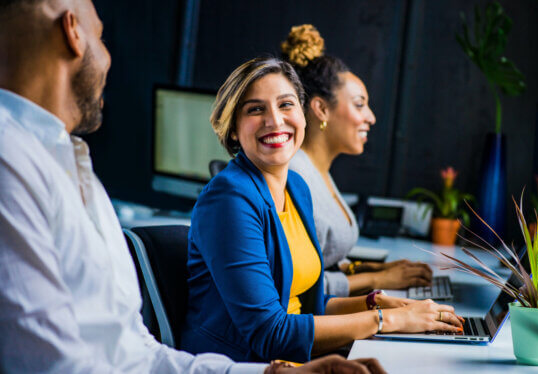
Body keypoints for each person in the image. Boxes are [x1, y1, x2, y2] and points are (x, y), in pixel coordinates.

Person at [0, 1, 385, 373]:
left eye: (286, 105)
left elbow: (138, 351)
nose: (109, 57)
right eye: (102, 38)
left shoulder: (72, 164)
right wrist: (380, 320)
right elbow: (51, 364)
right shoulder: (12, 162)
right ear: (72, 32)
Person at [181, 56, 464, 364]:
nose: (275, 120)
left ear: (303, 115)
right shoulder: (229, 199)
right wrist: (387, 320)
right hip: (244, 365)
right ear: (233, 129)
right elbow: (269, 333)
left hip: (296, 360)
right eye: (255, 109)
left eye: (286, 105)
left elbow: (308, 306)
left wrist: (380, 304)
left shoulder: (297, 188)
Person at [282, 24, 433, 297]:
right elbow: (298, 288)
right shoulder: (295, 176)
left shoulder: (318, 171)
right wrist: (378, 280)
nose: (371, 117)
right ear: (321, 109)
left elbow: (323, 262)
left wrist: (371, 269)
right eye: (360, 104)